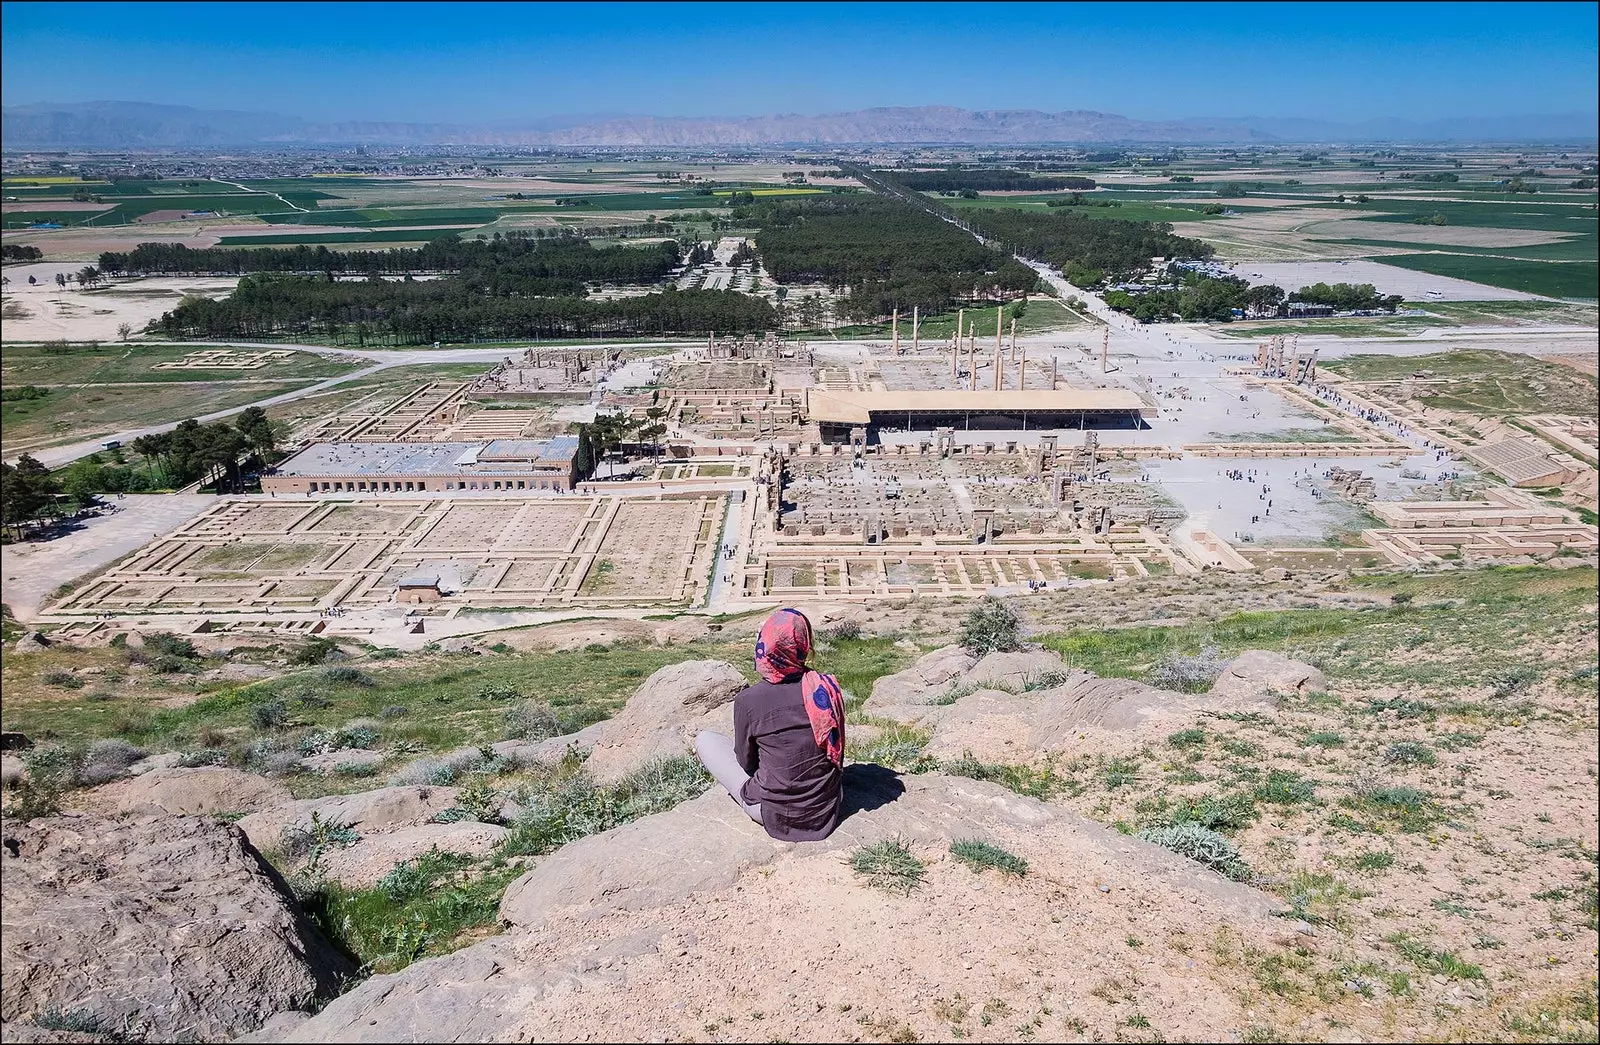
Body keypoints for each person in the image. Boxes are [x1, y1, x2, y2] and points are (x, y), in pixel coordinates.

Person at [694, 608, 845, 841]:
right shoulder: (824, 689)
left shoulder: (750, 700)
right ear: (804, 644)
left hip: (776, 814)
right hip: (827, 808)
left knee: (706, 740)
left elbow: (746, 762)